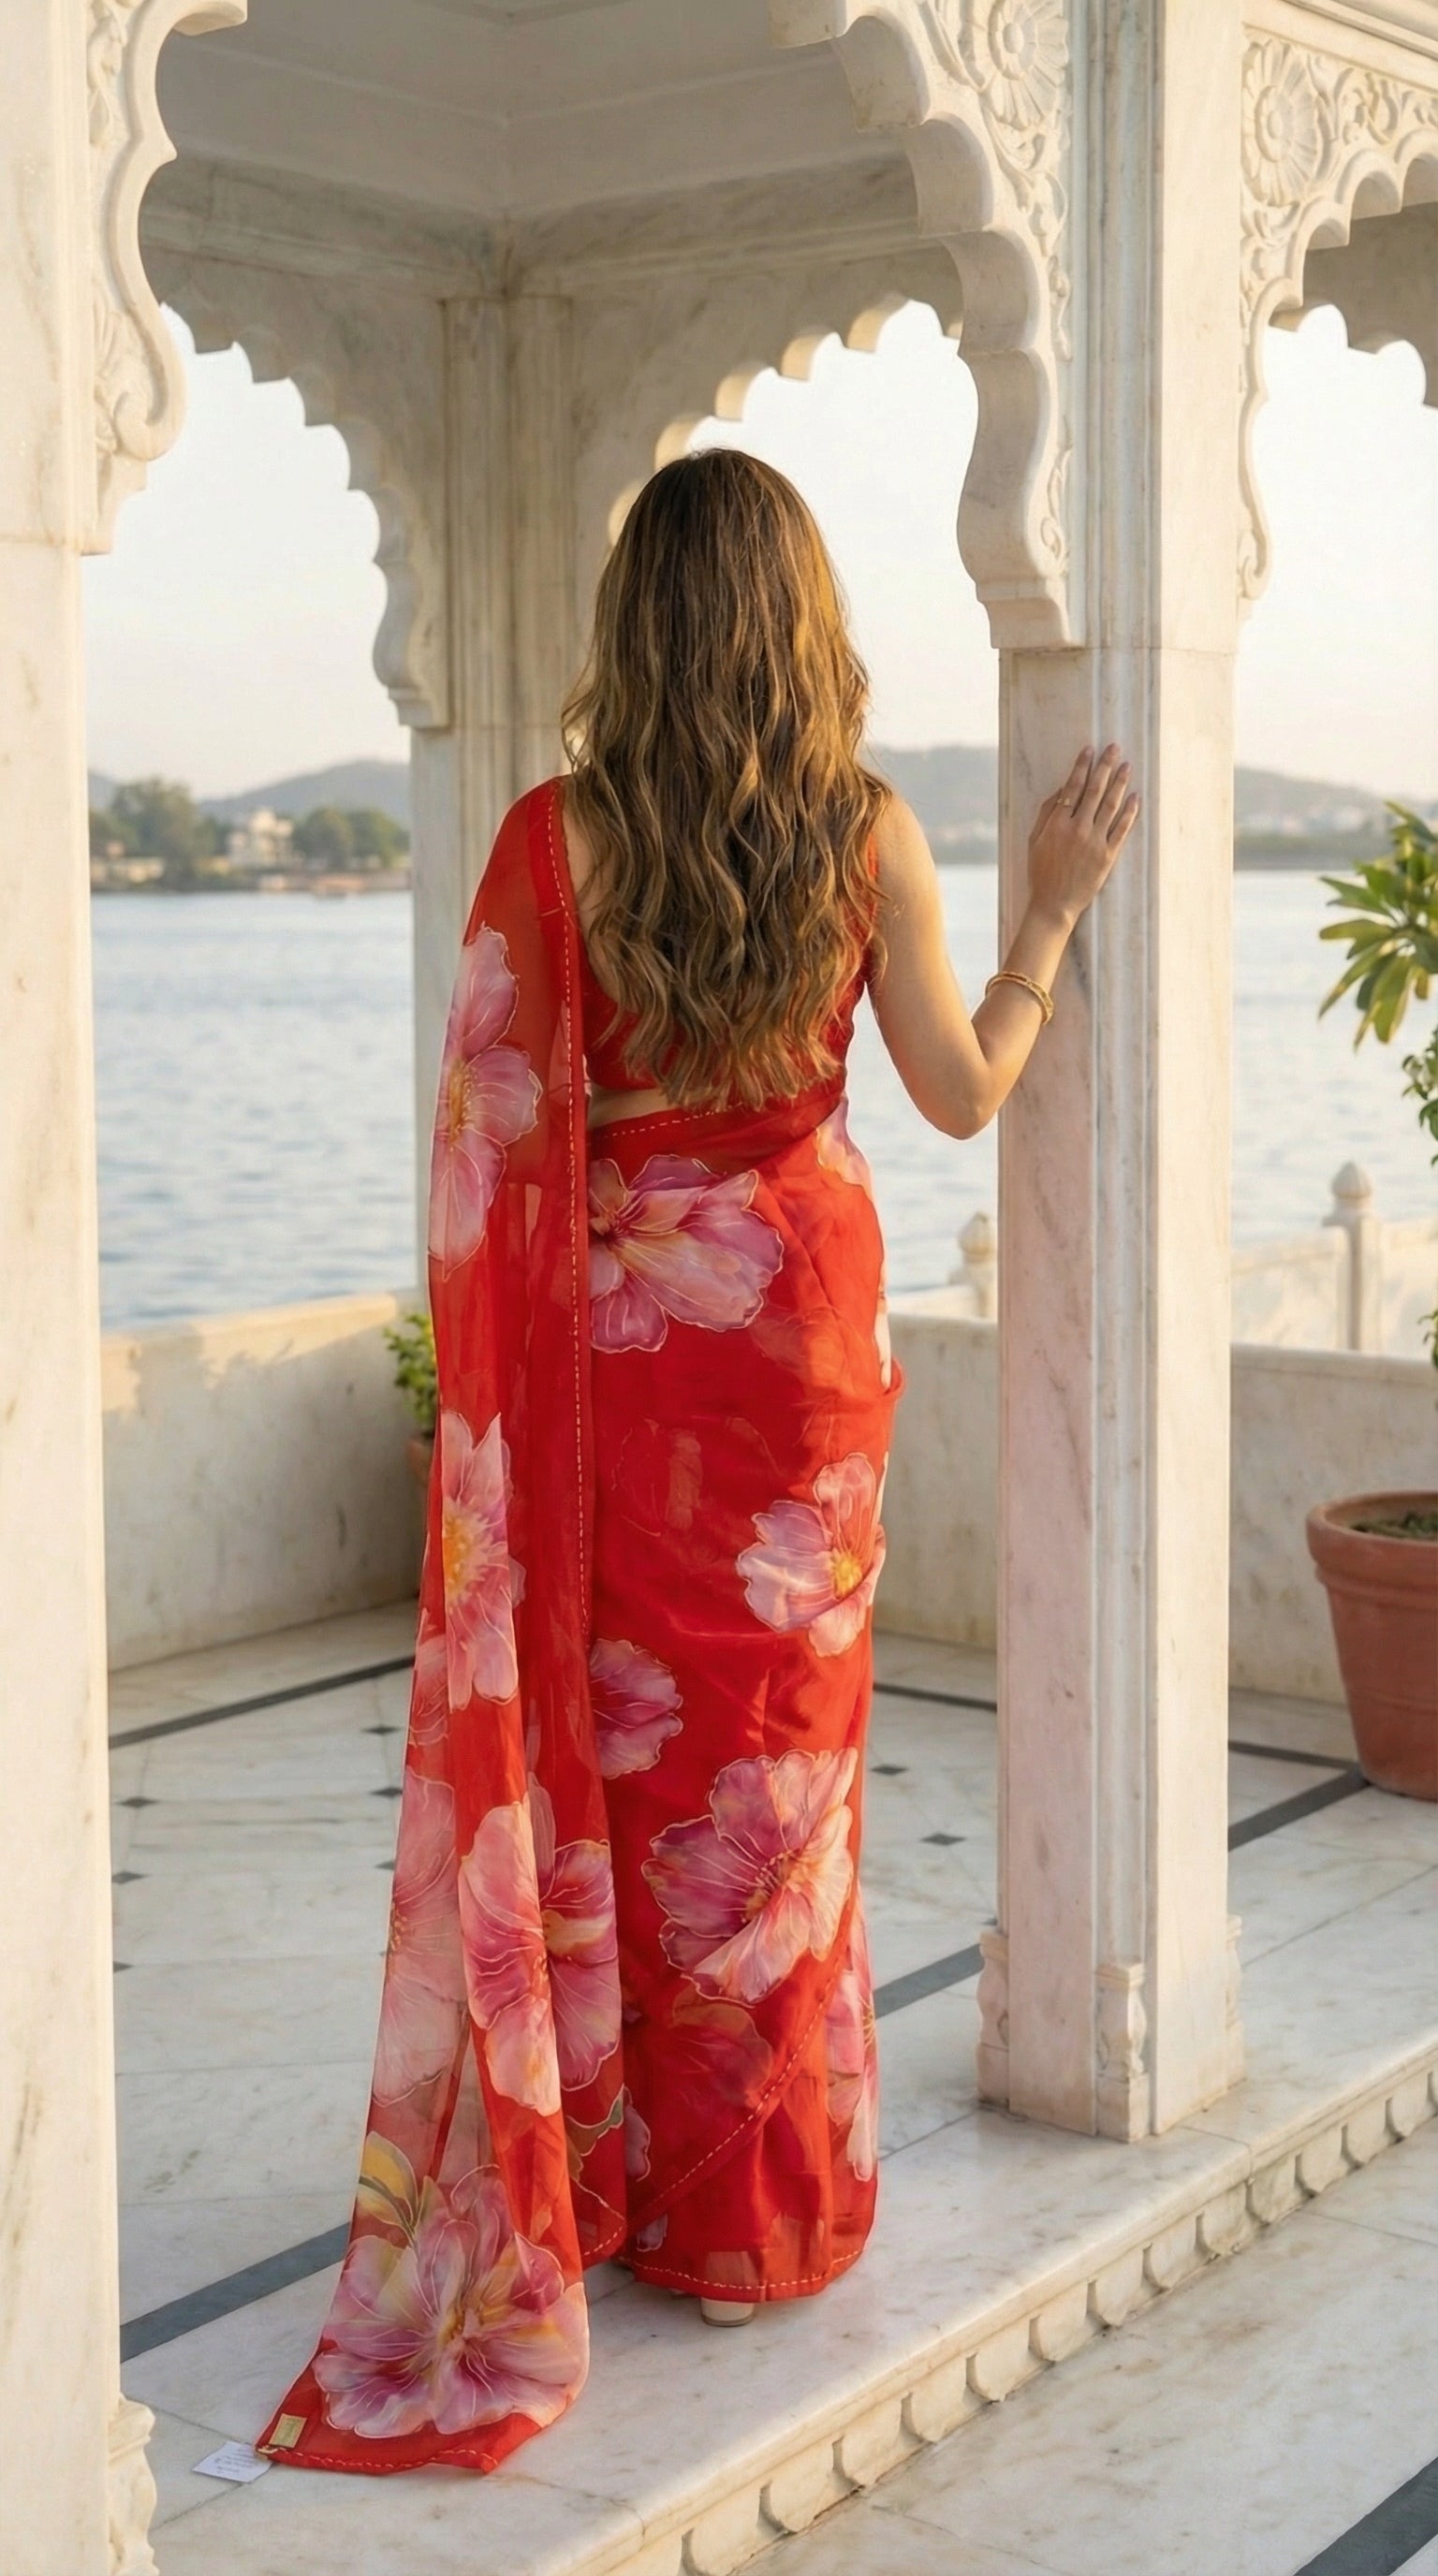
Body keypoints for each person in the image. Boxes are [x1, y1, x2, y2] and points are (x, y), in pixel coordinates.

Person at [258, 450, 1137, 2480]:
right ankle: (752, 2220)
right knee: (782, 1795)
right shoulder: (871, 837)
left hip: (626, 1372)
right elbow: (961, 1084)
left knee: (627, 1772)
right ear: (804, 623)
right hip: (802, 1358)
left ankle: (620, 2193)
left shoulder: (550, 846)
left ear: (632, 624)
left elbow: (485, 1150)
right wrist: (1052, 916)